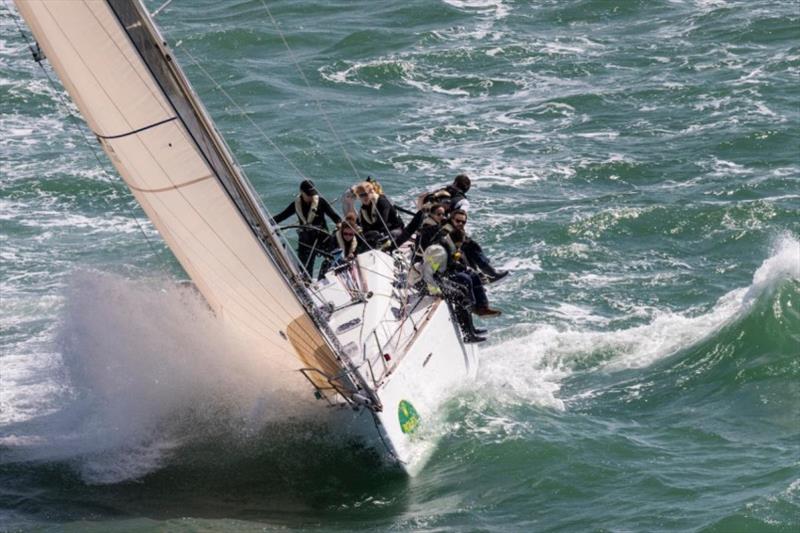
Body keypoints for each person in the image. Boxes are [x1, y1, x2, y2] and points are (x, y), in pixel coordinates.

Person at [273, 179, 341, 278]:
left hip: (321, 237)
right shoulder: (296, 204)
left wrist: (339, 223)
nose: (310, 196)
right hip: (306, 240)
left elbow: (334, 216)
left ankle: (328, 277)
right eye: (308, 194)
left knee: (335, 256)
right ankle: (308, 283)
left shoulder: (320, 202)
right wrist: (268, 222)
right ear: (301, 192)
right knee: (305, 270)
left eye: (312, 194)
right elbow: (282, 216)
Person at [444, 209, 509, 283]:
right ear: (452, 219)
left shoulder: (458, 229)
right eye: (458, 221)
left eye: (463, 222)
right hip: (448, 259)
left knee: (471, 247)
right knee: (468, 249)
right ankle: (487, 274)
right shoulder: (446, 230)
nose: (460, 223)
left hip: (457, 256)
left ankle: (485, 274)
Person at [318, 212, 367, 277]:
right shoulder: (335, 238)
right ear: (342, 232)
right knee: (325, 263)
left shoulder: (358, 237)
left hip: (352, 263)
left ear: (354, 233)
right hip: (338, 263)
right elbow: (332, 252)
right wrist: (343, 259)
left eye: (350, 234)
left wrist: (354, 253)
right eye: (345, 233)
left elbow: (363, 246)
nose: (348, 236)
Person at [354, 180, 403, 246]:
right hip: (378, 231)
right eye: (360, 196)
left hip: (395, 229)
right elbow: (362, 224)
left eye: (365, 194)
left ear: (372, 191)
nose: (363, 198)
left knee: (378, 238)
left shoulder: (382, 202)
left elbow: (382, 224)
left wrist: (369, 232)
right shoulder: (364, 208)